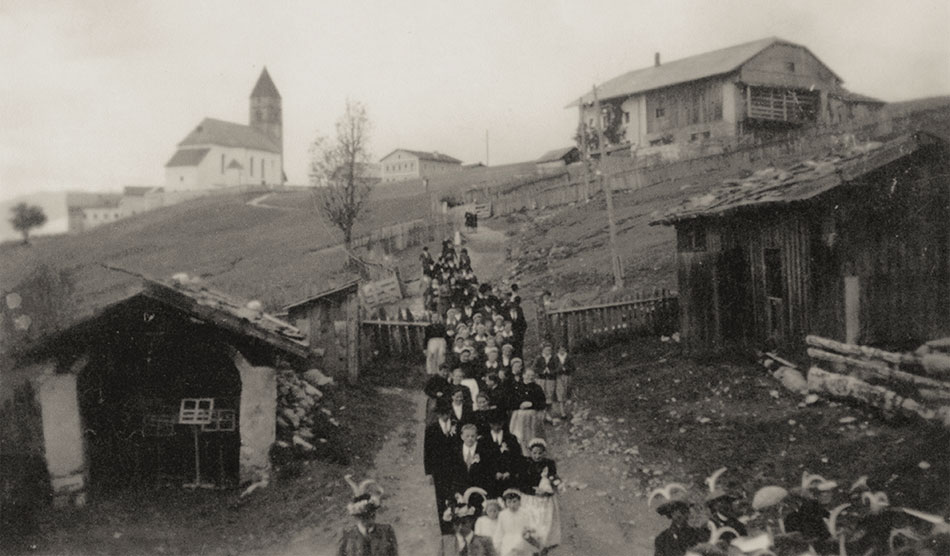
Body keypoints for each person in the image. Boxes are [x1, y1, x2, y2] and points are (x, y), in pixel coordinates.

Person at [518, 439, 562, 554]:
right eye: (534, 453)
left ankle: (543, 549)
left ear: (544, 452)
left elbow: (554, 480)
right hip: (530, 499)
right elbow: (521, 483)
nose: (537, 456)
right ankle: (533, 550)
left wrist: (548, 491)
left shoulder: (549, 464)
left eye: (540, 453)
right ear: (530, 452)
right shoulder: (525, 463)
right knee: (532, 526)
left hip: (545, 501)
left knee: (544, 525)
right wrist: (533, 491)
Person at [425, 398, 462, 535]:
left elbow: (459, 446)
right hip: (439, 470)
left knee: (454, 494)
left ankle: (456, 523)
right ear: (438, 414)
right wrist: (428, 472)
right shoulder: (431, 429)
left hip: (454, 468)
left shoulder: (456, 426)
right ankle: (444, 528)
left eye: (447, 413)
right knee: (441, 497)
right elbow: (427, 451)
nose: (445, 416)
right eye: (441, 413)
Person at [483, 409, 523, 498]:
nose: (496, 427)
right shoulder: (484, 440)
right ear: (489, 424)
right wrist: (494, 473)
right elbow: (484, 461)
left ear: (503, 423)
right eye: (493, 424)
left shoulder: (511, 438)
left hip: (508, 478)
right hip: (491, 480)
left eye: (499, 424)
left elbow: (517, 457)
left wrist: (509, 472)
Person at [508, 369, 546, 456]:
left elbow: (542, 403)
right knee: (519, 436)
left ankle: (533, 454)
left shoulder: (537, 388)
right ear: (523, 375)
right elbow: (510, 402)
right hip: (519, 416)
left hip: (532, 416)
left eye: (532, 376)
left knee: (532, 435)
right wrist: (520, 404)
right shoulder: (516, 387)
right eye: (528, 375)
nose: (530, 377)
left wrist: (532, 404)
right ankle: (521, 453)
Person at [493, 490, 542, 556]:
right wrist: (497, 546)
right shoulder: (503, 515)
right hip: (508, 542)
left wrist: (530, 532)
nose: (512, 505)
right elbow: (499, 531)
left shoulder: (526, 513)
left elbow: (533, 526)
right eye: (509, 502)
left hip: (523, 542)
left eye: (514, 501)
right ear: (506, 503)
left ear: (519, 501)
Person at [532, 344, 560, 424]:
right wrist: (542, 371)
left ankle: (548, 414)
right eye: (546, 349)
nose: (548, 351)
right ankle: (540, 414)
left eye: (549, 350)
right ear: (543, 350)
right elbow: (534, 367)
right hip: (541, 379)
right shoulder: (539, 358)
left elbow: (558, 368)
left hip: (551, 379)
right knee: (540, 395)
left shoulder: (554, 358)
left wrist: (551, 372)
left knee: (549, 396)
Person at [553, 345, 575, 420]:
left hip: (567, 376)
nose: (562, 351)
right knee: (560, 393)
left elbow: (573, 367)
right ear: (558, 350)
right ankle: (563, 413)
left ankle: (569, 411)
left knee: (568, 392)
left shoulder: (569, 357)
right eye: (560, 350)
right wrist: (559, 369)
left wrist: (566, 368)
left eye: (563, 349)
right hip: (559, 377)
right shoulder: (555, 358)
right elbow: (552, 368)